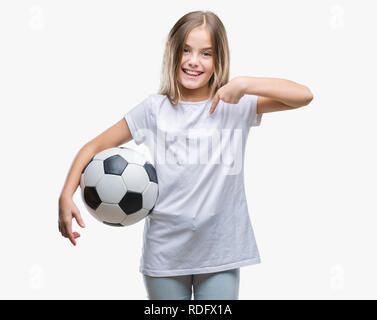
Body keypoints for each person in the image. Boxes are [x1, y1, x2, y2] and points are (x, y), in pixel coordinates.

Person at [58, 10, 313, 300]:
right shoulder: (154, 109)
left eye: (207, 54)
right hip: (166, 254)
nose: (194, 61)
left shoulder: (235, 104)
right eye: (186, 50)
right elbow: (92, 147)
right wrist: (66, 195)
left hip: (221, 252)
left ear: (219, 59)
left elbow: (303, 95)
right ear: (172, 51)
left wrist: (244, 84)